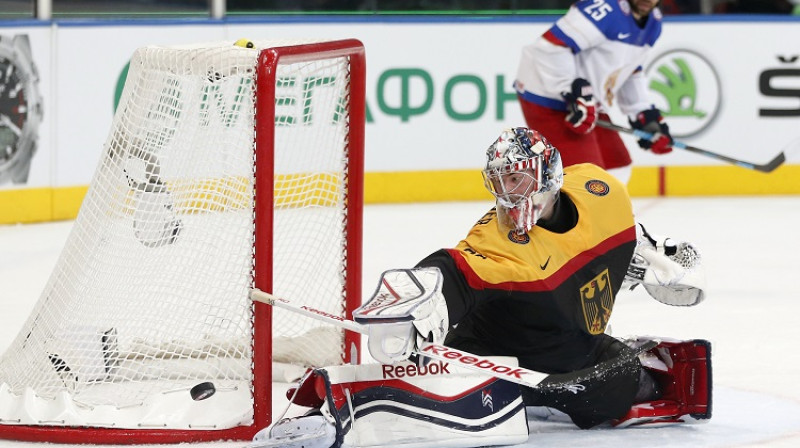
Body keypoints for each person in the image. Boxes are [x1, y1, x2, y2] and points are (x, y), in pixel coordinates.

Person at [255, 128, 711, 448]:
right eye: (498, 181)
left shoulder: (600, 187)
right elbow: (454, 270)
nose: (506, 193)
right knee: (545, 391)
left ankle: (611, 372)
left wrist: (656, 258)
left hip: (575, 350)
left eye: (516, 179)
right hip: (495, 357)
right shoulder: (496, 240)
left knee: (616, 391)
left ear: (548, 176)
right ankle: (350, 407)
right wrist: (421, 293)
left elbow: (624, 230)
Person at [514, 0, 674, 184]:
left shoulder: (654, 23)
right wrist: (573, 92)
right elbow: (549, 47)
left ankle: (604, 212)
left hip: (583, 100)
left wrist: (643, 113)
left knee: (617, 166)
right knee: (588, 180)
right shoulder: (606, 9)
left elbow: (629, 69)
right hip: (546, 96)